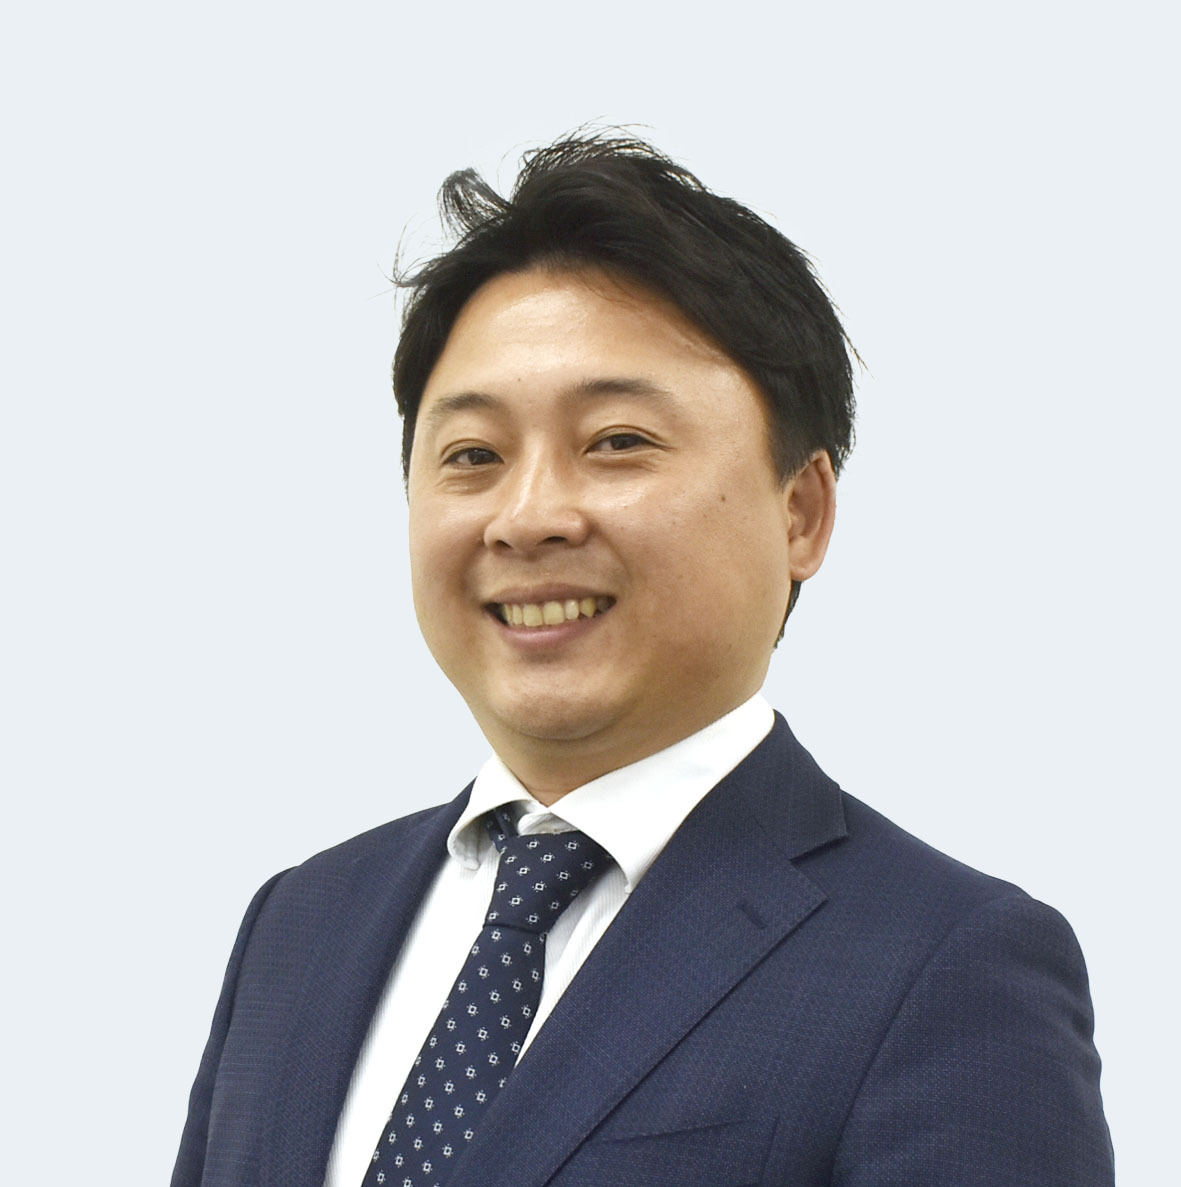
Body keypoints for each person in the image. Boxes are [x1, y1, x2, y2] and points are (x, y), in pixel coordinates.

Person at [171, 134, 1114, 1187]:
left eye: (616, 440)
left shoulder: (945, 965)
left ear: (800, 512)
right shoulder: (299, 924)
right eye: (473, 455)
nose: (527, 516)